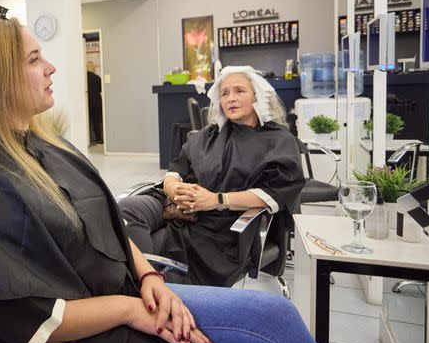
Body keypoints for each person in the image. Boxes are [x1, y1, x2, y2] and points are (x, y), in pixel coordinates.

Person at [0, 13, 346, 343]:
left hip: (126, 294)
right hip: (89, 339)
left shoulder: (50, 146)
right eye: (35, 59)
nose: (52, 67)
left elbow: (106, 227)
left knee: (275, 315)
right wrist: (134, 310)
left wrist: (149, 277)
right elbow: (29, 322)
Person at [119, 66, 304, 287]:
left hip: (218, 226)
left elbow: (276, 192)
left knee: (143, 250)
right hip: (177, 205)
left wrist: (216, 201)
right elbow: (177, 167)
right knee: (124, 211)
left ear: (257, 96)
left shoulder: (278, 140)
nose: (231, 98)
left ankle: (149, 287)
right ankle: (150, 285)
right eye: (224, 93)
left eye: (239, 91)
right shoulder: (210, 134)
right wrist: (172, 187)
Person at [86, 61, 103, 145]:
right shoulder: (96, 77)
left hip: (87, 101)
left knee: (87, 121)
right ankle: (99, 139)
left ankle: (89, 140)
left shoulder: (84, 78)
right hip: (96, 101)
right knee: (96, 121)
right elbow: (101, 89)